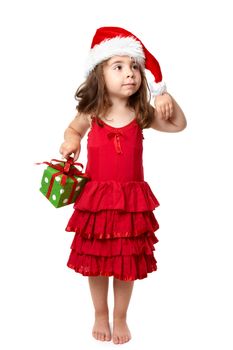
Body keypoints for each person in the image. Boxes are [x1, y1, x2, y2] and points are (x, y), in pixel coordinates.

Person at [59, 26, 187, 345]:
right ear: (99, 75)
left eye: (134, 67)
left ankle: (120, 317)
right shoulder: (92, 112)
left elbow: (178, 125)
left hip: (131, 204)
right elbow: (72, 130)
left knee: (126, 264)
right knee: (98, 262)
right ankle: (101, 314)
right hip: (97, 202)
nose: (130, 73)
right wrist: (71, 141)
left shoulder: (141, 113)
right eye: (118, 66)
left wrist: (164, 93)